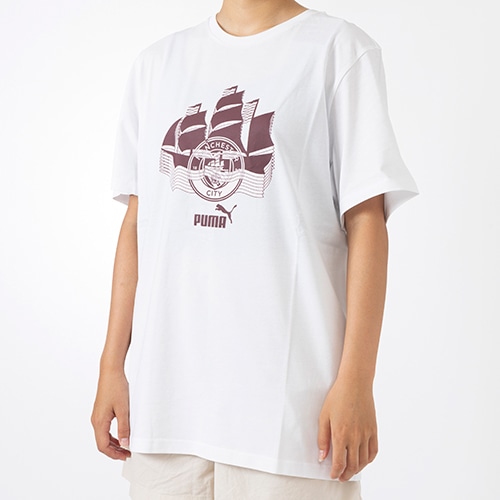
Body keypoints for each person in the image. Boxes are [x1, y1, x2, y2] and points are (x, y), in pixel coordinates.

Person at [91, 0, 418, 498]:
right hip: (166, 409)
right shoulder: (157, 64)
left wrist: (357, 380)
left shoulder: (338, 50)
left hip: (289, 417)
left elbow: (367, 221)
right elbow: (137, 222)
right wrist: (111, 365)